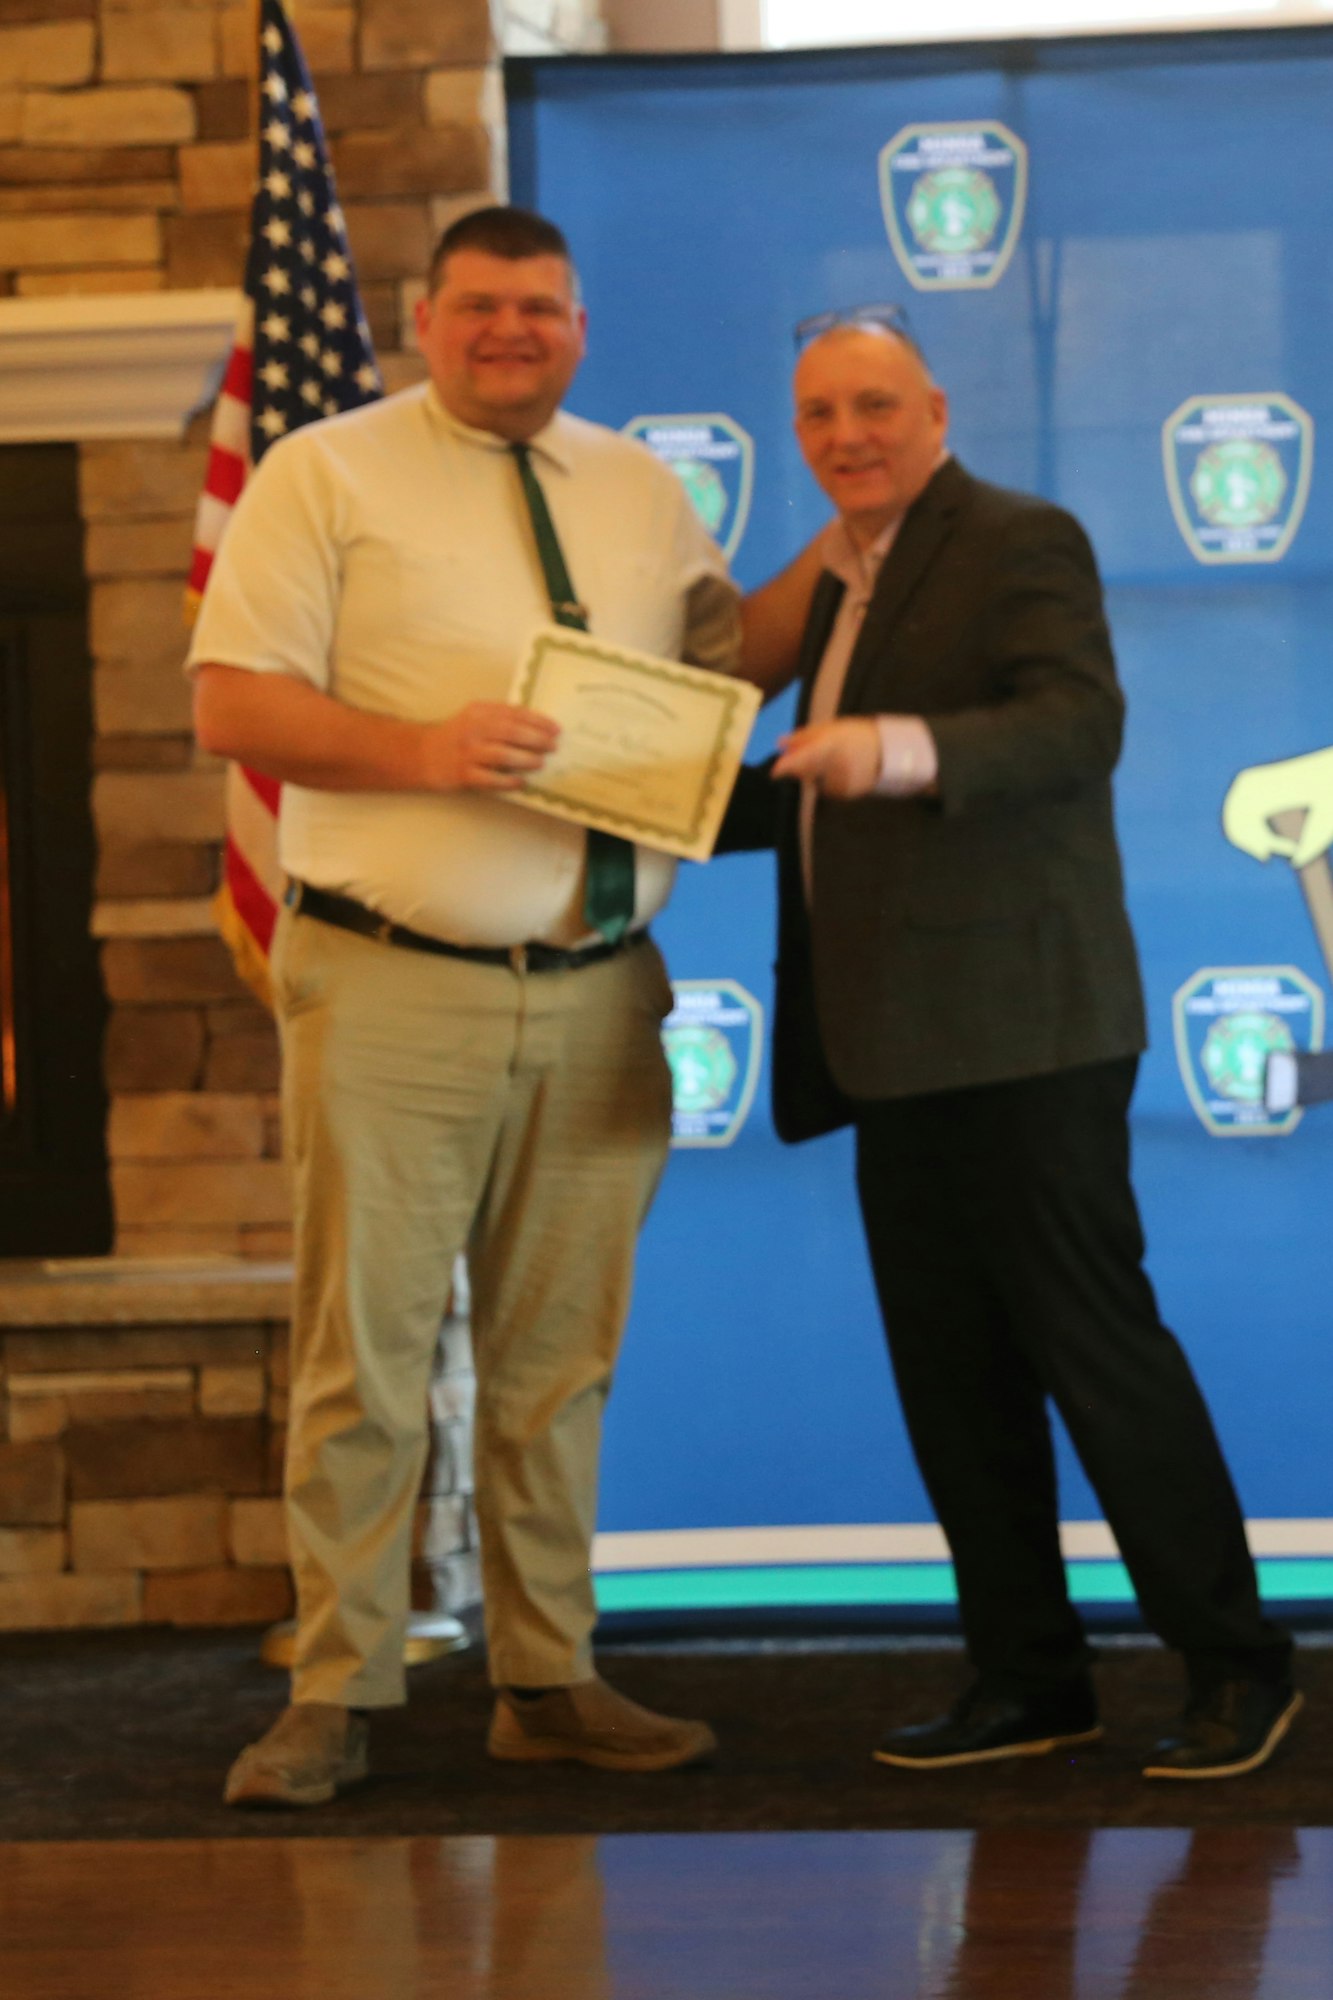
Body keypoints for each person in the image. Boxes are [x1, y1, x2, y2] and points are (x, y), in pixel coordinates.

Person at [190, 206, 738, 1805]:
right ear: (422, 318)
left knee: (557, 1358)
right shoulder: (326, 470)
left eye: (545, 310)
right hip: (390, 982)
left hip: (598, 992)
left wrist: (863, 563)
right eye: (483, 306)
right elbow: (230, 699)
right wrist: (427, 749)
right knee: (365, 1352)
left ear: (580, 326)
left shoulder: (639, 487)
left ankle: (546, 1676)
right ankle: (338, 1688)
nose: (515, 332)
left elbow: (717, 666)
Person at [723, 312, 1299, 1779]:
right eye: (814, 415)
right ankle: (1028, 1678)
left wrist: (895, 746)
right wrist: (612, 789)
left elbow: (1072, 726)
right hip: (886, 1044)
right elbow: (804, 788)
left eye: (870, 405)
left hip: (1023, 1034)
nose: (843, 434)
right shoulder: (844, 582)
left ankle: (1239, 1666)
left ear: (932, 410)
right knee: (953, 1380)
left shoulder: (1014, 535)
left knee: (1095, 1358)